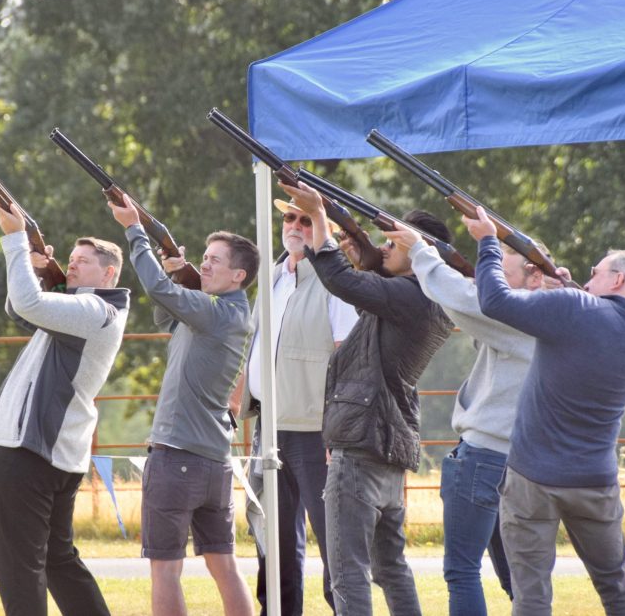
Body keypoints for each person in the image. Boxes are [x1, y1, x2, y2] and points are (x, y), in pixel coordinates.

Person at [463, 206, 625, 616]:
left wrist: (487, 243)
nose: (588, 278)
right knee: (616, 586)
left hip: (532, 478)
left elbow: (494, 301)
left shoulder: (575, 308)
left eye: (596, 272)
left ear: (618, 279)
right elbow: (594, 322)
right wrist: (566, 292)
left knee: (532, 595)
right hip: (595, 481)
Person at [281, 182, 453, 616]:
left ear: (419, 251)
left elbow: (338, 280)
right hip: (387, 444)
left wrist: (319, 217)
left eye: (392, 242)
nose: (383, 247)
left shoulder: (408, 296)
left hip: (359, 447)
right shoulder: (427, 298)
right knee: (390, 567)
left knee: (347, 572)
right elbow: (365, 293)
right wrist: (368, 260)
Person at [383, 222, 552, 616]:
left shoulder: (519, 313)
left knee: (462, 571)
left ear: (535, 275)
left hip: (484, 456)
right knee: (518, 576)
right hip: (523, 463)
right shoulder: (556, 314)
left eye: (503, 277)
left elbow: (463, 299)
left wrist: (421, 252)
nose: (494, 288)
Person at [110, 193, 259, 616]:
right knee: (223, 565)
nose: (206, 264)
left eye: (215, 260)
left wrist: (134, 230)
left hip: (177, 457)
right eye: (205, 258)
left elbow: (154, 288)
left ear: (238, 275)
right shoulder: (227, 312)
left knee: (165, 571)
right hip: (213, 461)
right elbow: (165, 312)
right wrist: (179, 276)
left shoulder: (215, 312)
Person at [0, 200, 129, 616]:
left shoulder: (95, 309)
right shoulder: (90, 309)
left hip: (33, 450)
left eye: (83, 262)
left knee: (19, 566)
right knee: (56, 559)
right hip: (55, 451)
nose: (74, 266)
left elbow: (27, 306)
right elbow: (20, 307)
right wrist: (34, 269)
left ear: (108, 274)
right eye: (71, 260)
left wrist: (13, 240)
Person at [233, 199, 359, 616]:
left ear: (324, 228)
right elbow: (253, 348)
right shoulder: (272, 276)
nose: (295, 226)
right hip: (271, 424)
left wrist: (337, 430)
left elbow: (349, 360)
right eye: (290, 217)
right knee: (274, 540)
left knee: (333, 542)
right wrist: (237, 404)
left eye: (307, 219)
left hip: (317, 429)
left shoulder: (337, 281)